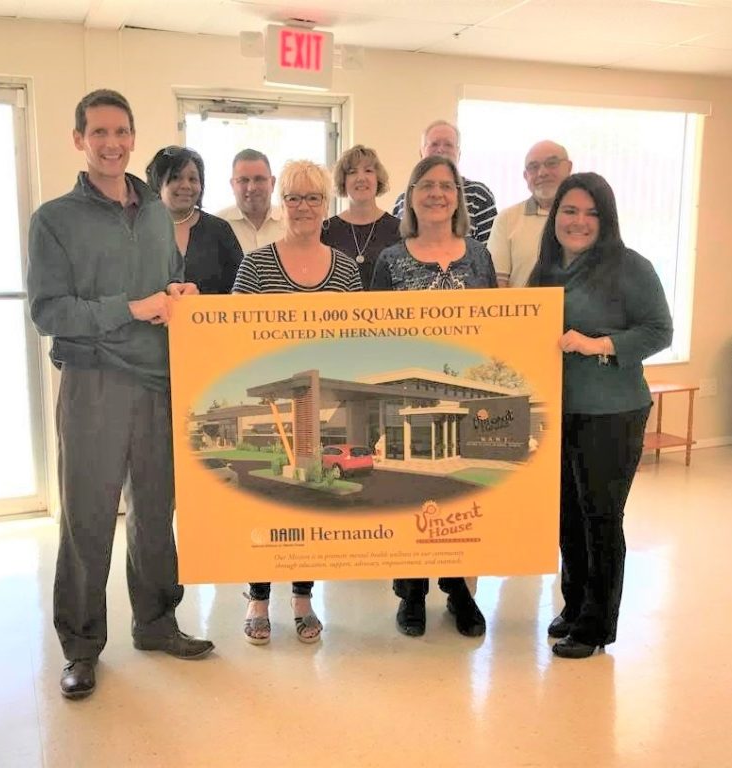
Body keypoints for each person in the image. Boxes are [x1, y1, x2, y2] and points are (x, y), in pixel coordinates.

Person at [27, 89, 214, 701]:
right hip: (94, 383)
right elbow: (50, 311)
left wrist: (177, 295)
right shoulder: (54, 219)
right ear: (79, 138)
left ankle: (157, 623)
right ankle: (81, 648)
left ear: (134, 137)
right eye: (99, 132)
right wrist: (132, 308)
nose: (112, 144)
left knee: (156, 515)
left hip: (157, 380)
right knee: (87, 520)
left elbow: (163, 282)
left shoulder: (156, 212)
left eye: (122, 132)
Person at [527, 172, 672, 659]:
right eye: (570, 211)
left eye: (591, 213)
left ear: (605, 220)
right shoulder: (546, 269)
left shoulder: (629, 267)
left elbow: (659, 330)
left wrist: (599, 345)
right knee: (567, 514)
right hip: (557, 410)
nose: (579, 221)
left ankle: (595, 627)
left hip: (612, 411)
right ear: (556, 217)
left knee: (601, 517)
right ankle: (574, 607)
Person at [232, 160, 362, 644]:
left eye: (312, 198)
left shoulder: (347, 269)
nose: (302, 207)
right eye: (293, 197)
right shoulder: (256, 265)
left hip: (323, 406)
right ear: (279, 204)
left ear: (326, 205)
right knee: (269, 503)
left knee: (310, 500)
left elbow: (355, 340)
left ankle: (303, 596)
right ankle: (259, 597)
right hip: (274, 405)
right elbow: (233, 337)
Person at [371, 155, 496, 638]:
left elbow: (497, 327)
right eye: (426, 185)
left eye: (447, 186)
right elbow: (374, 332)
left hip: (469, 397)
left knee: (461, 492)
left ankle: (460, 591)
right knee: (412, 491)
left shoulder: (479, 256)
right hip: (407, 397)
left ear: (458, 197)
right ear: (411, 195)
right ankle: (413, 594)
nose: (437, 194)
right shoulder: (391, 258)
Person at [145, 145, 244, 294]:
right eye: (176, 177)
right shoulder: (140, 229)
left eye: (193, 179)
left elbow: (240, 289)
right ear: (158, 184)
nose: (186, 185)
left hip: (212, 316)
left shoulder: (219, 230)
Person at [391, 119, 497, 244]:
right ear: (421, 152)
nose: (441, 150)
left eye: (448, 145)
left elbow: (489, 251)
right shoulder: (403, 200)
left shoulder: (479, 195)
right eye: (434, 144)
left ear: (459, 153)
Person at [487, 140, 573, 287]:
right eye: (533, 167)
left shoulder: (586, 218)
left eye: (551, 163)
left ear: (569, 167)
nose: (542, 173)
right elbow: (496, 289)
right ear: (526, 176)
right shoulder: (507, 220)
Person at [320, 144, 401, 289]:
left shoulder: (399, 229)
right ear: (343, 181)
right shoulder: (326, 231)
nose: (361, 178)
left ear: (378, 179)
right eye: (352, 172)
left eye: (368, 171)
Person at [217, 148, 286, 253]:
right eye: (243, 180)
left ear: (272, 183)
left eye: (259, 179)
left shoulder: (291, 223)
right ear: (232, 185)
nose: (251, 188)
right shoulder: (216, 226)